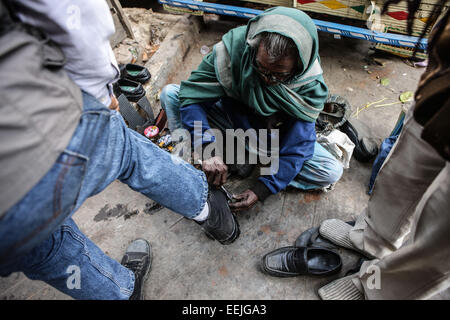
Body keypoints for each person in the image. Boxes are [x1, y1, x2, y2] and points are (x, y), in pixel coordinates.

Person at [0, 0, 238, 300]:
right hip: (32, 129)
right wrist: (102, 92)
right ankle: (210, 212)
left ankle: (121, 294)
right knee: (130, 154)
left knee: (41, 247)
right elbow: (73, 14)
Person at [260, 0, 450, 300]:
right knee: (401, 172)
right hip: (444, 83)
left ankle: (372, 289)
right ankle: (371, 239)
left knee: (442, 234)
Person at [160, 7, 344, 212]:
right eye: (261, 68)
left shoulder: (308, 84)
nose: (267, 79)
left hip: (273, 142)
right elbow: (193, 96)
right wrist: (206, 148)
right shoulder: (232, 52)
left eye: (278, 75)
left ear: (297, 68)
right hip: (232, 121)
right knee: (171, 94)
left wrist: (262, 189)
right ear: (254, 49)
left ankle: (247, 159)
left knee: (329, 171)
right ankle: (195, 160)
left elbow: (297, 146)